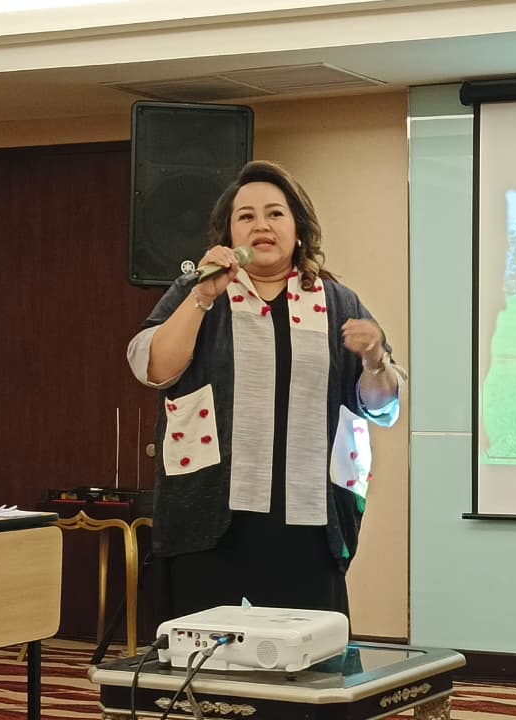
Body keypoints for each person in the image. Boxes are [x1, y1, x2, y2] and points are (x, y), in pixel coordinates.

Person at [126, 161, 404, 621]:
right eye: (246, 216)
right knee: (204, 651)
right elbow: (154, 368)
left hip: (310, 518)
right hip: (209, 516)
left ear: (298, 229)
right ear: (228, 233)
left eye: (275, 213)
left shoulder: (337, 302)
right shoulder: (198, 290)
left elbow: (382, 407)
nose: (261, 226)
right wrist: (201, 297)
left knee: (306, 652)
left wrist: (376, 360)